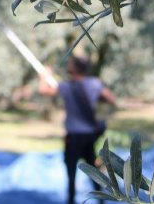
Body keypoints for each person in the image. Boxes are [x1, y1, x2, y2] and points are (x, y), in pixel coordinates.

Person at [38, 56, 116, 204]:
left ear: (74, 69)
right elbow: (111, 99)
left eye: (71, 63)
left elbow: (43, 90)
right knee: (93, 171)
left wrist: (44, 76)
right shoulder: (95, 83)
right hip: (89, 136)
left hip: (73, 137)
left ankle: (71, 200)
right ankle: (101, 201)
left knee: (71, 173)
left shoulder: (66, 86)